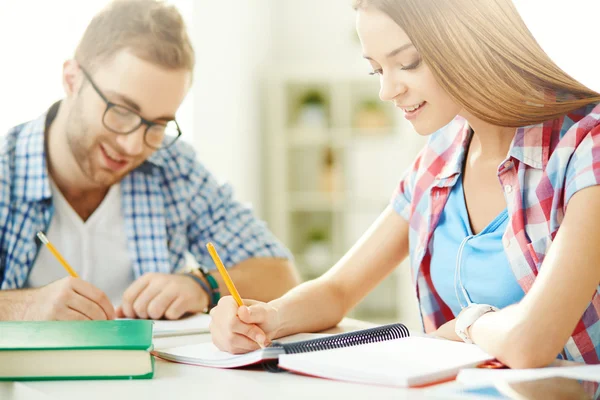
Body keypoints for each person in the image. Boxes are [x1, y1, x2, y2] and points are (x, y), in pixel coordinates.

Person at [208, 0, 600, 368]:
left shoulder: (585, 146)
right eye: (377, 70)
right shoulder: (441, 156)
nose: (387, 90)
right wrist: (267, 318)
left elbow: (533, 341)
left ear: (471, 39)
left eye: (408, 63)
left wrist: (469, 323)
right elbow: (338, 290)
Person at [0, 0, 299, 322]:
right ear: (72, 79)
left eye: (157, 124)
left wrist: (202, 286)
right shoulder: (6, 170)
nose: (132, 145)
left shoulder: (174, 169)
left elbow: (281, 275)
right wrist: (22, 307)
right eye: (122, 111)